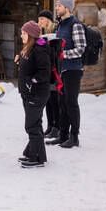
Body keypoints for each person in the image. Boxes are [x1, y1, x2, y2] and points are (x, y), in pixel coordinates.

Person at [48, 0, 86, 149]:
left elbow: (81, 48)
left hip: (73, 69)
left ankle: (74, 137)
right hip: (61, 70)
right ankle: (62, 135)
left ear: (67, 8)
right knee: (62, 103)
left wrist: (64, 54)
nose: (56, 8)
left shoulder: (75, 25)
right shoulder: (60, 25)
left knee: (71, 103)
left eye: (59, 6)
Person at [17, 20, 52, 168]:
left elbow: (45, 72)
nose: (21, 35)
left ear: (31, 35)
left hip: (36, 93)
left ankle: (36, 158)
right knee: (35, 124)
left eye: (24, 33)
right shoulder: (29, 48)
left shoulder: (39, 49)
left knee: (31, 126)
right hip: (29, 93)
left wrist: (31, 81)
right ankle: (35, 153)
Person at [37, 10, 62, 138]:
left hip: (55, 70)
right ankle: (50, 126)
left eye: (42, 19)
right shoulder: (43, 33)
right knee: (47, 100)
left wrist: (45, 43)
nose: (39, 22)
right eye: (39, 19)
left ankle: (57, 127)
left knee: (54, 100)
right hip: (47, 70)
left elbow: (57, 50)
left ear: (48, 20)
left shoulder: (56, 30)